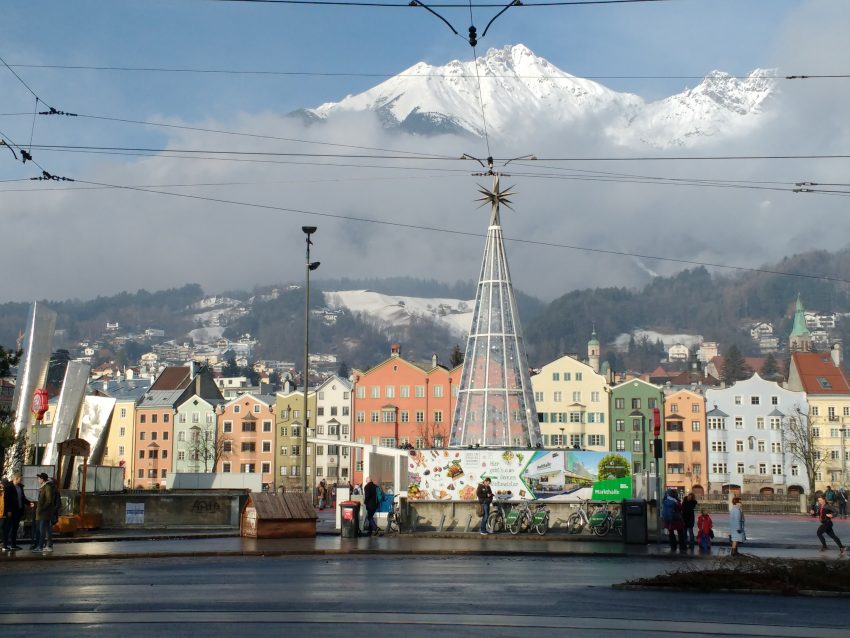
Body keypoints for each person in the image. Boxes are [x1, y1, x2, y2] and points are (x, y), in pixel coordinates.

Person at [32, 473, 55, 553]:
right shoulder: (42, 487)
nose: (38, 480)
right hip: (41, 512)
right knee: (44, 529)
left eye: (39, 478)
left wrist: (42, 508)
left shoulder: (47, 487)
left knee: (42, 530)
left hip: (44, 513)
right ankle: (46, 545)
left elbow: (49, 500)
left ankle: (41, 546)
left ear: (42, 479)